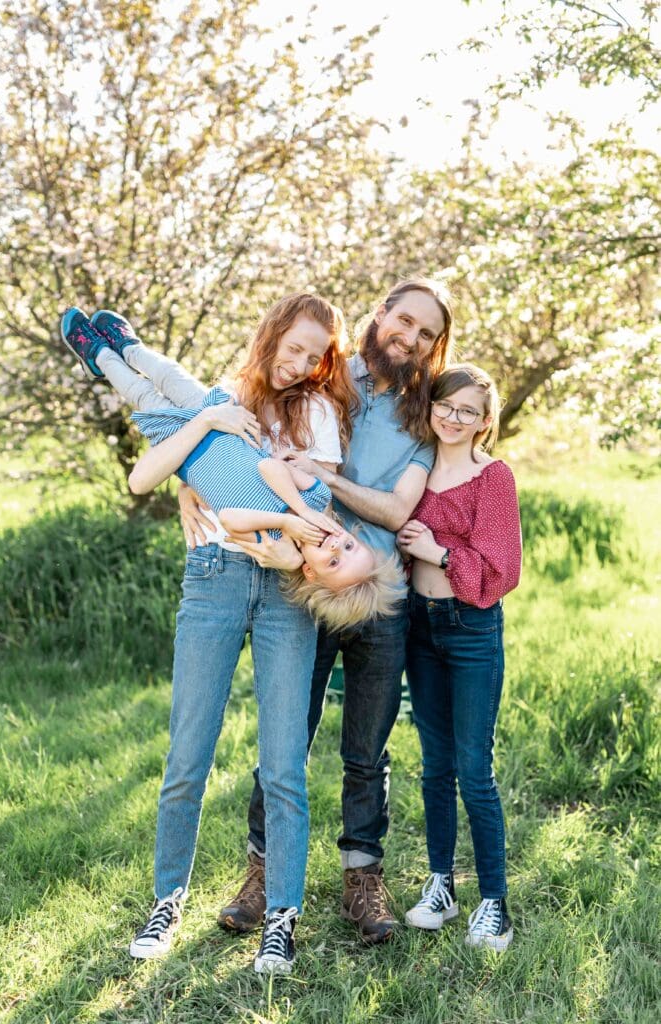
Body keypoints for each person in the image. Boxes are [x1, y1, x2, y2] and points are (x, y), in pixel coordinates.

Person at [59, 293, 359, 974]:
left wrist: (266, 523)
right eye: (294, 348)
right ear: (271, 335)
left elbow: (309, 497)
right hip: (213, 575)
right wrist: (192, 475)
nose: (302, 363)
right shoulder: (226, 391)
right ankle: (167, 902)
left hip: (286, 589)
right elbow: (160, 472)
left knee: (283, 765)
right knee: (186, 756)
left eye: (315, 356)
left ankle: (281, 916)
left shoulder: (315, 412)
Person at [183, 276, 455, 944]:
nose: (411, 339)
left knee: (366, 747)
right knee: (287, 737)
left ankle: (362, 878)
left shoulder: (425, 411)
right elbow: (237, 425)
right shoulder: (321, 368)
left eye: (426, 334)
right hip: (298, 586)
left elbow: (394, 510)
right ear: (381, 313)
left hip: (378, 592)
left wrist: (322, 477)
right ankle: (262, 872)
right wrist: (190, 484)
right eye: (405, 321)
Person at [61, 307, 402, 629]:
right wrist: (299, 509)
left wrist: (286, 521)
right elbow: (271, 467)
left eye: (332, 562)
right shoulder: (316, 499)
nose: (334, 546)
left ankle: (101, 357)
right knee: (169, 376)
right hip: (221, 417)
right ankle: (129, 347)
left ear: (311, 572)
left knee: (140, 393)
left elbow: (230, 519)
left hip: (189, 450)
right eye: (348, 547)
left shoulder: (275, 537)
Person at [397, 363, 522, 952]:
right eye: (446, 405)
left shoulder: (492, 476)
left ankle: (494, 902)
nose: (453, 417)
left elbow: (502, 567)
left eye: (467, 411)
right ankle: (442, 884)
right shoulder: (414, 468)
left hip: (470, 628)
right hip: (419, 628)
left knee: (474, 768)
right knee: (433, 765)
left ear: (484, 421)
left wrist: (438, 550)